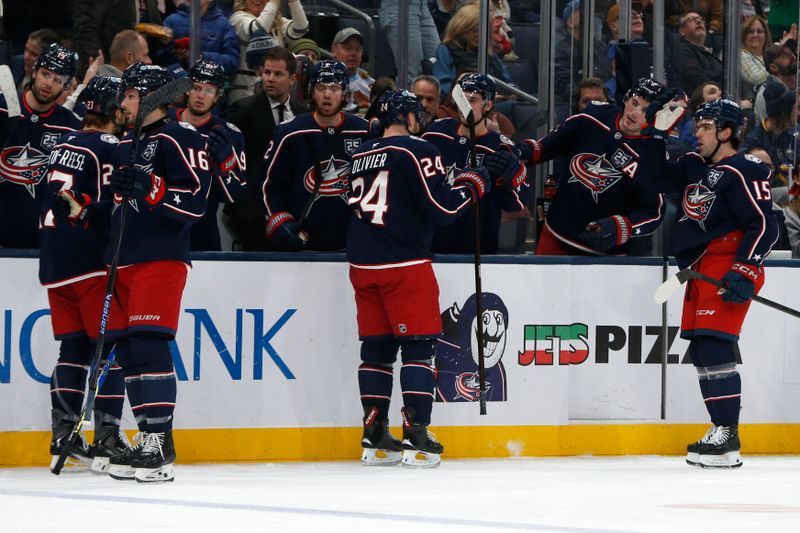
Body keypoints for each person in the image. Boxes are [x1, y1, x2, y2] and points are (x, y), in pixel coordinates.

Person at [346, 89, 491, 468]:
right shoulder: (417, 148)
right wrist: (474, 184)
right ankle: (416, 435)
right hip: (405, 265)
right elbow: (442, 208)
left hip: (363, 267)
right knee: (418, 348)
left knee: (376, 351)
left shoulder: (359, 155)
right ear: (408, 119)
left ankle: (374, 435)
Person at [647, 99, 780, 468]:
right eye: (697, 126)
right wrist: (655, 135)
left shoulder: (742, 170)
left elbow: (765, 225)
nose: (697, 133)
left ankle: (727, 434)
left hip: (729, 263)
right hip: (701, 267)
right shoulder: (694, 167)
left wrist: (747, 268)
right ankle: (721, 430)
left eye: (705, 127)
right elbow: (650, 175)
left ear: (725, 133)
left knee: (717, 346)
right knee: (703, 350)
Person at [105, 62, 212, 483]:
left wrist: (153, 189)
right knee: (129, 352)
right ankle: (147, 434)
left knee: (150, 345)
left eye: (130, 94)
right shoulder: (122, 146)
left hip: (160, 258)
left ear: (150, 97)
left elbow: (196, 204)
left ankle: (159, 441)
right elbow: (117, 208)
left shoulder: (180, 137)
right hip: (122, 261)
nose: (123, 102)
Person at [39, 76, 132, 474]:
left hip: (55, 264)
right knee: (110, 349)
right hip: (90, 263)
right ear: (112, 111)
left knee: (72, 350)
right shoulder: (108, 147)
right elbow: (112, 206)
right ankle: (107, 435)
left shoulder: (60, 146)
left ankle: (63, 432)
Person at [516, 78, 680, 255]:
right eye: (634, 103)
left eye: (646, 110)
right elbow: (547, 146)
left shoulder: (653, 155)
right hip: (557, 234)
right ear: (626, 98)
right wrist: (521, 152)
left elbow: (653, 211)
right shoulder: (593, 116)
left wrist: (621, 227)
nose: (635, 113)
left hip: (604, 251)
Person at [262, 60, 368, 251]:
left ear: (345, 92)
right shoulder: (289, 133)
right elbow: (268, 187)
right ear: (312, 91)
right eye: (321, 87)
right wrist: (281, 223)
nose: (327, 94)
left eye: (334, 88)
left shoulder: (364, 133)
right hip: (302, 247)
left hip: (352, 248)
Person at [421, 73, 529, 254]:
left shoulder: (500, 147)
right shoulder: (436, 133)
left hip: (478, 251)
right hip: (433, 245)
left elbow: (517, 204)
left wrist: (511, 179)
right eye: (462, 98)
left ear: (488, 105)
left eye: (473, 100)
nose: (465, 106)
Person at [0, 43, 82, 249]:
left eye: (58, 80)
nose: (49, 83)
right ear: (35, 71)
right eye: (46, 74)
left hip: (41, 242)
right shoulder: (3, 108)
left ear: (67, 86)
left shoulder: (71, 126)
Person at [225, 46, 308, 250]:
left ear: (293, 79)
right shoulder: (242, 111)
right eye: (267, 72)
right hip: (252, 215)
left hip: (294, 212)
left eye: (278, 74)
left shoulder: (305, 115)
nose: (270, 78)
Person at [172, 59, 247, 250]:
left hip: (203, 232)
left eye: (208, 90)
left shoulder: (230, 134)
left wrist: (223, 167)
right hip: (163, 228)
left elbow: (234, 196)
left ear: (217, 96)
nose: (201, 95)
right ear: (187, 89)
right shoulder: (164, 124)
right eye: (197, 87)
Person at [228, 0, 308, 104]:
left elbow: (301, 28)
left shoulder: (276, 23)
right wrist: (274, 3)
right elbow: (258, 30)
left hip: (274, 93)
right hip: (246, 93)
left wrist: (293, 2)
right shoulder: (238, 18)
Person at [432, 3, 514, 97]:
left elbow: (508, 83)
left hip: (494, 102)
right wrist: (478, 96)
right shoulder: (446, 49)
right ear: (462, 29)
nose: (480, 35)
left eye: (484, 31)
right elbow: (444, 87)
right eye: (475, 31)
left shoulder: (487, 52)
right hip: (462, 104)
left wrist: (510, 94)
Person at [160, 0, 239, 75]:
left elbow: (232, 62)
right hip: (176, 84)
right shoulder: (171, 21)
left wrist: (203, 57)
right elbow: (156, 55)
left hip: (208, 85)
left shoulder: (223, 25)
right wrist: (174, 54)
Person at [378, 0, 440, 82]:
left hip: (423, 4)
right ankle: (406, 94)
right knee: (410, 74)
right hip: (400, 5)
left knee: (437, 65)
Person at [676, 12, 724, 97]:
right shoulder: (682, 51)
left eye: (701, 19)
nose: (698, 21)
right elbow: (698, 78)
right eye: (692, 20)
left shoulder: (708, 52)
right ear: (682, 31)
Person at [330, 28, 375, 113]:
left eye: (358, 49)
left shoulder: (372, 85)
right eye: (347, 48)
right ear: (333, 51)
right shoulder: (323, 82)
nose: (353, 53)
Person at [10, 28, 59, 92]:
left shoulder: (51, 86)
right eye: (26, 49)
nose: (26, 57)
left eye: (34, 54)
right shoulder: (16, 62)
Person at [740, 16, 771, 100]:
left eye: (759, 31)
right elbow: (755, 78)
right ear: (744, 35)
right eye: (750, 31)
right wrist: (777, 59)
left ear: (766, 34)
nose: (755, 35)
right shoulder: (740, 55)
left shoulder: (768, 54)